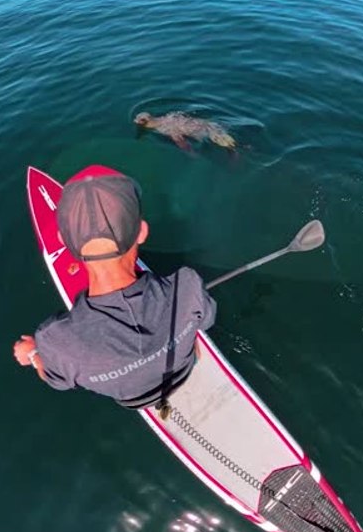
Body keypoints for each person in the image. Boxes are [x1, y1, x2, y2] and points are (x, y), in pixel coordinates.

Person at [13, 165, 216, 412]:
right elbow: (204, 321)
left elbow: (56, 379)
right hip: (184, 368)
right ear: (141, 232)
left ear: (65, 242)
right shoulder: (188, 285)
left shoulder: (54, 339)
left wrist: (32, 354)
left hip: (133, 400)